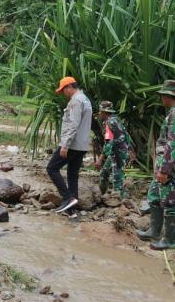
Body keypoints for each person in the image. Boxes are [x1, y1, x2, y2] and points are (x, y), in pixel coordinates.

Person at [137, 80, 175, 250]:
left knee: (170, 202)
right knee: (154, 197)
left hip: (170, 166)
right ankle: (154, 231)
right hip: (166, 165)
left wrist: (164, 170)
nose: (161, 98)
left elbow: (174, 144)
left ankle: (171, 240)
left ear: (168, 96)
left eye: (163, 95)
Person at [48, 76, 93, 216]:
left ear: (69, 87)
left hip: (72, 144)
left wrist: (65, 145)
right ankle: (71, 211)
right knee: (72, 175)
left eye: (63, 90)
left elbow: (73, 124)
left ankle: (68, 198)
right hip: (82, 145)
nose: (63, 94)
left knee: (51, 168)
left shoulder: (76, 101)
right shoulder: (85, 99)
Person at [95, 101, 134, 198]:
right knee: (104, 173)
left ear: (104, 112)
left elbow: (109, 143)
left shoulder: (110, 123)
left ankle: (121, 201)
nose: (99, 114)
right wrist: (130, 150)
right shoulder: (116, 119)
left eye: (100, 112)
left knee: (117, 179)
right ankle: (101, 195)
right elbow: (126, 135)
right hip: (118, 152)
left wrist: (100, 159)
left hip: (117, 154)